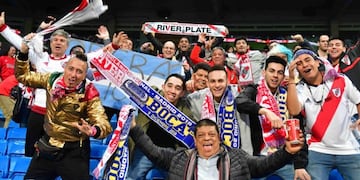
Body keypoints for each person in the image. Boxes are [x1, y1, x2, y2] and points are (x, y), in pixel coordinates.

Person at [15, 42, 113, 179]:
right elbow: (23, 77)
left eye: (79, 72)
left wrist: (93, 130)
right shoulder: (52, 79)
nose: (73, 75)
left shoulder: (89, 92)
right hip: (47, 147)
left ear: (85, 75)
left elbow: (104, 124)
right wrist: (23, 54)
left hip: (74, 152)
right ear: (64, 68)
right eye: (71, 69)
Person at [129, 118, 305, 179]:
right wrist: (134, 129)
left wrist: (287, 152)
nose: (207, 139)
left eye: (211, 135)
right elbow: (153, 151)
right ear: (195, 140)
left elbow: (264, 166)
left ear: (219, 138)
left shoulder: (237, 157)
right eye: (202, 136)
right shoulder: (179, 158)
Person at [287, 48, 360, 180]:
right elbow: (293, 111)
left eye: (308, 60)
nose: (304, 65)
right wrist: (291, 81)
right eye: (299, 63)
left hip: (349, 148)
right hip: (318, 150)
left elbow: (358, 100)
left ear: (317, 62)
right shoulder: (299, 89)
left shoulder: (341, 80)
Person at [236, 56, 310, 180]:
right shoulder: (254, 90)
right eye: (272, 71)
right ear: (264, 73)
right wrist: (265, 111)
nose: (275, 76)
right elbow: (240, 101)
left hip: (285, 156)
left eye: (279, 72)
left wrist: (299, 165)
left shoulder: (288, 95)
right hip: (260, 157)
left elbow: (299, 130)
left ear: (283, 76)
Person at [187, 65, 276, 155]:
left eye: (220, 81)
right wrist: (186, 86)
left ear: (228, 82)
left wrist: (247, 159)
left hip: (234, 155)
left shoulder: (237, 97)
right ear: (208, 83)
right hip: (207, 154)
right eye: (213, 81)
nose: (217, 85)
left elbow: (245, 131)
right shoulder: (196, 98)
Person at [127, 73, 194, 179]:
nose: (172, 91)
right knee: (133, 177)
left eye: (177, 88)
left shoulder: (187, 113)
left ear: (182, 93)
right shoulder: (150, 97)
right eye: (169, 86)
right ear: (163, 86)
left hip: (169, 156)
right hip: (144, 149)